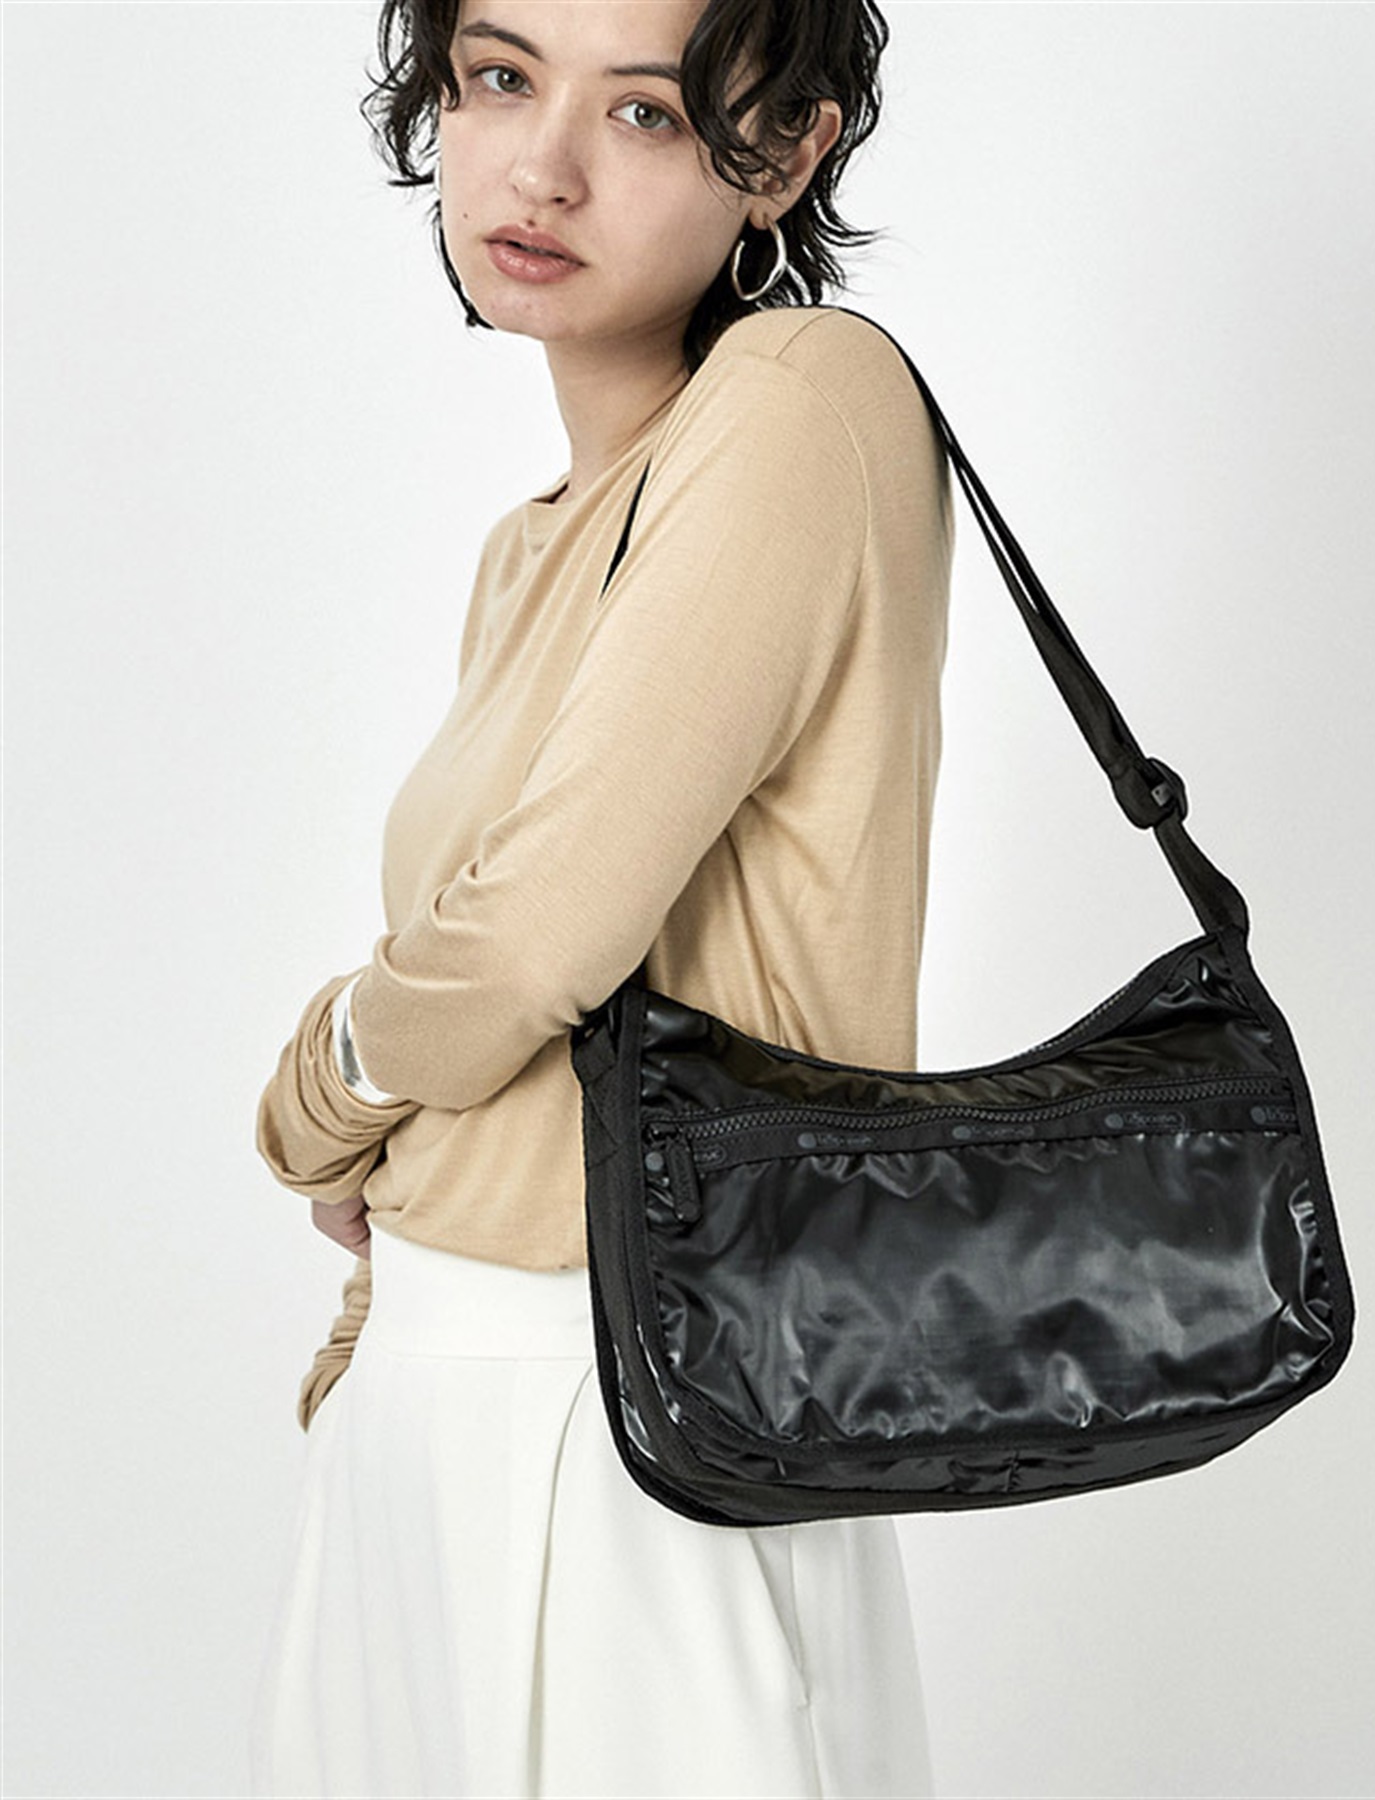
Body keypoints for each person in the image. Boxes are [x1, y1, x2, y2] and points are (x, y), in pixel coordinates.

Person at [248, 0, 953, 1794]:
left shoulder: (802, 400)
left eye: (645, 113)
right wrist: (388, 1292)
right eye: (500, 80)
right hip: (440, 1400)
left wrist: (322, 1088)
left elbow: (533, 938)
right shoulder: (533, 546)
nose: (540, 169)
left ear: (784, 154)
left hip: (633, 1417)